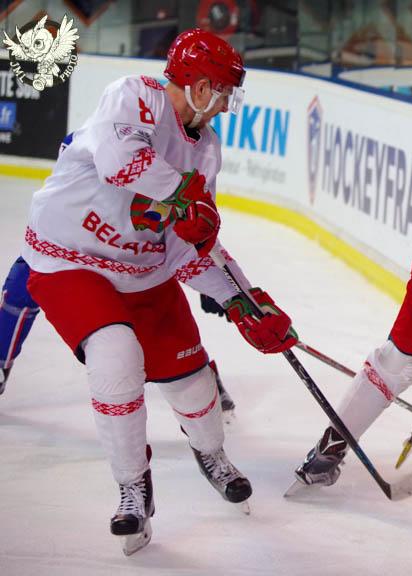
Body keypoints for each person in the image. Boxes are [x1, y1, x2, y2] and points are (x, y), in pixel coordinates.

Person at [20, 29, 297, 555]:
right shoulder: (135, 96)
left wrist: (243, 299)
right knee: (115, 355)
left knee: (192, 381)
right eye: (223, 91)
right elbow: (119, 161)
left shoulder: (206, 149)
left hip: (143, 272)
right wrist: (182, 197)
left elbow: (190, 243)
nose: (226, 105)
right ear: (198, 86)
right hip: (69, 259)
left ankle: (211, 453)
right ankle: (132, 486)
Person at [0, 257, 237, 421]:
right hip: (76, 241)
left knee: (151, 306)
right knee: (23, 279)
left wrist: (213, 279)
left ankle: (195, 373)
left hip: (130, 250)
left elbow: (189, 218)